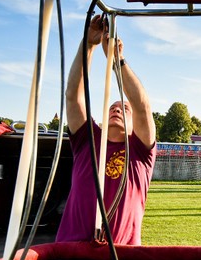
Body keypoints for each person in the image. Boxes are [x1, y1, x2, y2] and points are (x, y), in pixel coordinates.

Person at [55, 14, 156, 245]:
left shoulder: (141, 152)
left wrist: (117, 62)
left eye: (124, 108)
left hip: (122, 258)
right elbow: (73, 96)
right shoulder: (87, 140)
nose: (117, 109)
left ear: (134, 125)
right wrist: (88, 45)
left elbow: (142, 106)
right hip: (71, 250)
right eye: (112, 107)